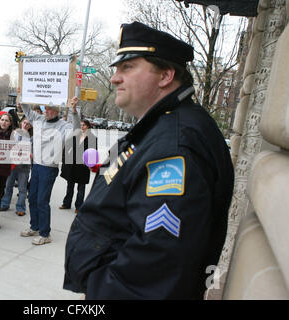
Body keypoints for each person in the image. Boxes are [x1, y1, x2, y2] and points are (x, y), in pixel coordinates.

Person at [63, 22, 235, 299]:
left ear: (166, 75)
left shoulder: (175, 145)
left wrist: (101, 287)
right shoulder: (160, 128)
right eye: (116, 69)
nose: (114, 78)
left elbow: (157, 258)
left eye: (127, 67)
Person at [18, 97, 80, 245]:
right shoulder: (38, 119)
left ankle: (45, 234)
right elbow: (26, 109)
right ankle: (35, 226)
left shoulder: (63, 126)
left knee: (42, 200)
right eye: (46, 108)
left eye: (50, 109)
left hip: (49, 168)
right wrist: (23, 95)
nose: (47, 111)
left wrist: (74, 111)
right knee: (32, 198)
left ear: (57, 111)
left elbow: (76, 129)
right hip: (37, 166)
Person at [59, 119, 97, 214]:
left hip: (83, 166)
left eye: (84, 125)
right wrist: (65, 158)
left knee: (81, 187)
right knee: (70, 186)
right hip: (72, 164)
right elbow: (67, 146)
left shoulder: (92, 138)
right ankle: (66, 204)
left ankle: (79, 206)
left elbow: (93, 152)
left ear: (88, 126)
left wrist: (90, 163)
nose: (82, 127)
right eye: (81, 125)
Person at [0, 116, 33, 216]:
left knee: (22, 188)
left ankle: (20, 208)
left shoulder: (32, 137)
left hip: (24, 166)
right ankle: (4, 204)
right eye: (24, 122)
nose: (25, 125)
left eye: (28, 123)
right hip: (13, 164)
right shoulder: (14, 133)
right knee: (8, 185)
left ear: (30, 126)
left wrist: (31, 154)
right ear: (21, 123)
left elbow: (34, 151)